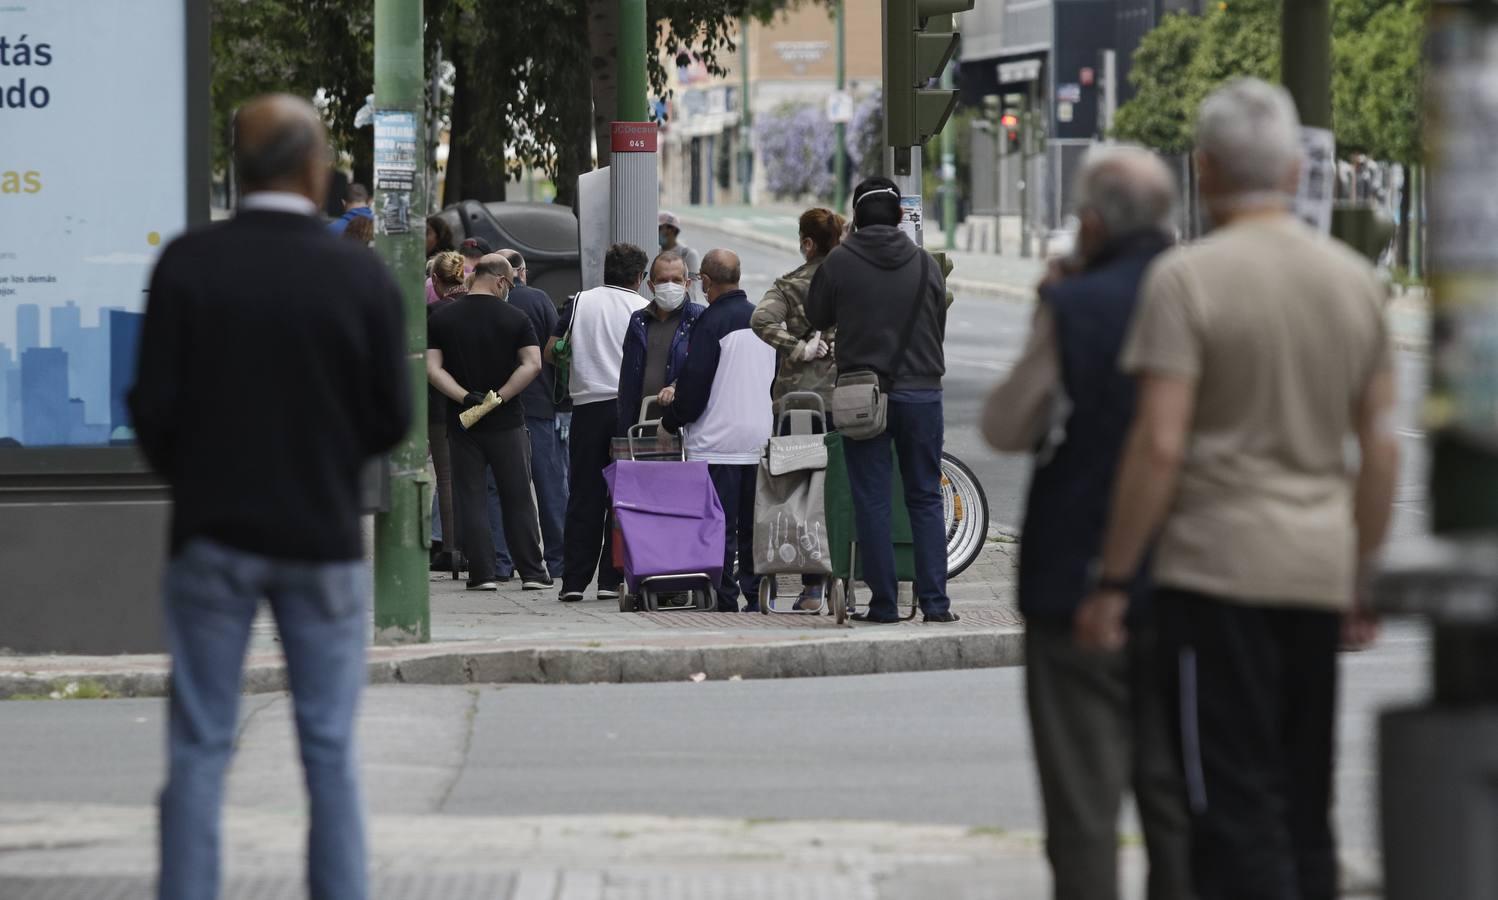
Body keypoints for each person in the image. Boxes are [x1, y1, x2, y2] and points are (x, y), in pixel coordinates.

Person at [1076, 79, 1399, 900]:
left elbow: (1159, 443)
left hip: (1212, 575)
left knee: (1224, 803)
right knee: (1304, 799)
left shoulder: (1187, 281)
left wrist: (1114, 579)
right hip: (1317, 570)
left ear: (1206, 169)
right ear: (1295, 172)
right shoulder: (1354, 281)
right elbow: (1381, 445)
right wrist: (1362, 571)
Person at [129, 93, 410, 900]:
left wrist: (203, 472)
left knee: (199, 748)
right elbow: (389, 418)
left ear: (236, 166)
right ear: (316, 169)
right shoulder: (357, 276)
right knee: (329, 752)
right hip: (321, 538)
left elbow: (152, 408)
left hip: (211, 534)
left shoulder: (187, 263)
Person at [983, 145, 1190, 900]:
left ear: (1093, 224)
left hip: (1074, 576)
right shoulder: (1203, 291)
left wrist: (1049, 310)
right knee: (1177, 798)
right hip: (1189, 573)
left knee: (1083, 808)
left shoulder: (1076, 306)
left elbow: (1007, 426)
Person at [805, 177, 956, 625]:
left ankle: (885, 604)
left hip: (862, 394)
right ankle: (936, 604)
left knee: (871, 498)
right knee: (925, 496)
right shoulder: (927, 265)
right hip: (923, 391)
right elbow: (937, 325)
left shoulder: (840, 262)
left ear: (854, 218)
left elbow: (817, 315)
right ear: (897, 217)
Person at [426, 253, 552, 592]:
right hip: (507, 420)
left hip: (463, 421)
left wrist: (466, 397)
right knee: (517, 497)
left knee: (470, 496)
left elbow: (433, 368)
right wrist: (501, 396)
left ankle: (482, 574)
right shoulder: (516, 318)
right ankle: (532, 572)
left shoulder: (442, 318)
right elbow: (533, 364)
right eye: (509, 284)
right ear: (500, 281)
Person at [661, 250, 777, 612]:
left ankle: (724, 599)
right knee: (754, 527)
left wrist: (671, 419)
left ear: (707, 282)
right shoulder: (764, 320)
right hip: (759, 440)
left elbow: (694, 388)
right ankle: (758, 596)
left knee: (719, 526)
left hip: (717, 443)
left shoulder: (709, 323)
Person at [751, 207, 845, 610]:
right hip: (846, 401)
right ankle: (839, 573)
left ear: (807, 243)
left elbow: (760, 320)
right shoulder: (852, 281)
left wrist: (797, 347)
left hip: (797, 406)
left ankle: (808, 586)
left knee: (799, 492)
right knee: (839, 489)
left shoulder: (789, 285)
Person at [545, 243, 649, 603]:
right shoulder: (643, 308)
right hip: (626, 411)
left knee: (584, 494)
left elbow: (551, 349)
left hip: (586, 407)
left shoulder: (579, 302)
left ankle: (573, 581)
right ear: (640, 277)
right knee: (622, 496)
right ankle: (611, 579)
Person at [499, 248, 567, 580]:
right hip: (539, 404)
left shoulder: (487, 301)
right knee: (550, 485)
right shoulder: (539, 299)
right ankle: (559, 559)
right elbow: (556, 348)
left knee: (502, 488)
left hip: (497, 409)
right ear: (521, 272)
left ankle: (502, 561)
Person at [618, 250, 703, 434]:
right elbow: (627, 381)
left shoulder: (699, 318)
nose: (670, 286)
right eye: (663, 281)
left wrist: (676, 388)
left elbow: (704, 370)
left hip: (681, 431)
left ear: (687, 284)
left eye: (676, 280)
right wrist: (622, 431)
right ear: (651, 285)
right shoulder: (638, 320)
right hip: (640, 428)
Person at [427, 250, 469, 573]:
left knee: (447, 479)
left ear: (436, 281)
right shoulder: (477, 307)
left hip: (440, 408)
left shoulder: (431, 314)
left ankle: (452, 548)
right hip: (480, 405)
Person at [658, 211, 701, 292]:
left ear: (672, 229)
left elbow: (693, 289)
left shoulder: (688, 254)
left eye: (660, 228)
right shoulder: (656, 252)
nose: (656, 232)